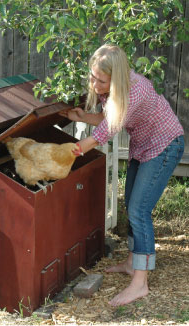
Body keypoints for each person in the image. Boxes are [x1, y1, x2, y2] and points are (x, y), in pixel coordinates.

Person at [60, 44, 184, 307]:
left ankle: (140, 284)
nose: (93, 84)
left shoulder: (134, 89)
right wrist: (85, 116)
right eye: (92, 77)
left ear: (115, 78)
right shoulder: (113, 89)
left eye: (100, 80)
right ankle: (132, 262)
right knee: (131, 204)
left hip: (164, 146)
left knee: (140, 210)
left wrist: (78, 148)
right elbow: (108, 118)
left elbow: (110, 129)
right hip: (143, 146)